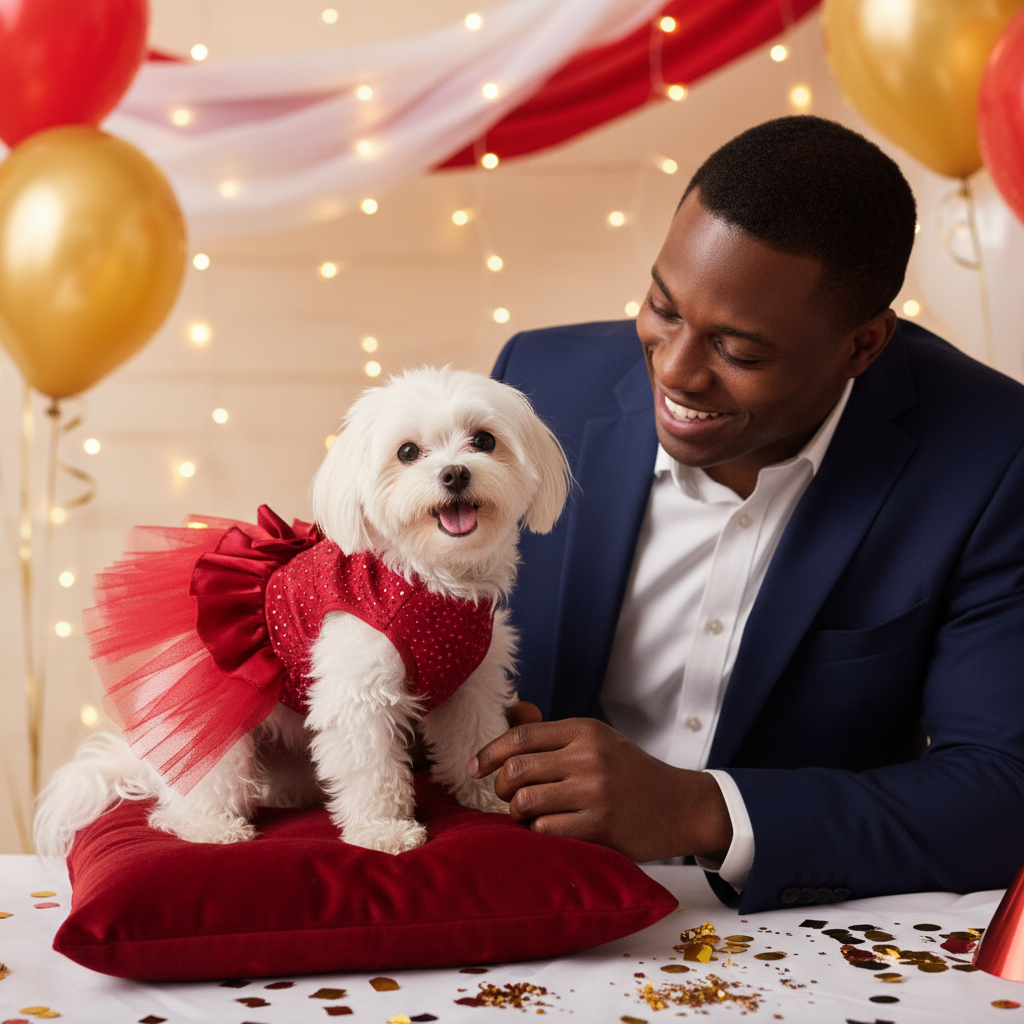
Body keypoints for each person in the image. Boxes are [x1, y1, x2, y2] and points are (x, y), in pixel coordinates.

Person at [467, 115, 1024, 913]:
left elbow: (1003, 791)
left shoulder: (994, 456)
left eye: (740, 351)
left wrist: (699, 809)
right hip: (527, 895)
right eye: (663, 308)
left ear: (862, 346)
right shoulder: (538, 386)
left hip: (800, 926)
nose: (677, 370)